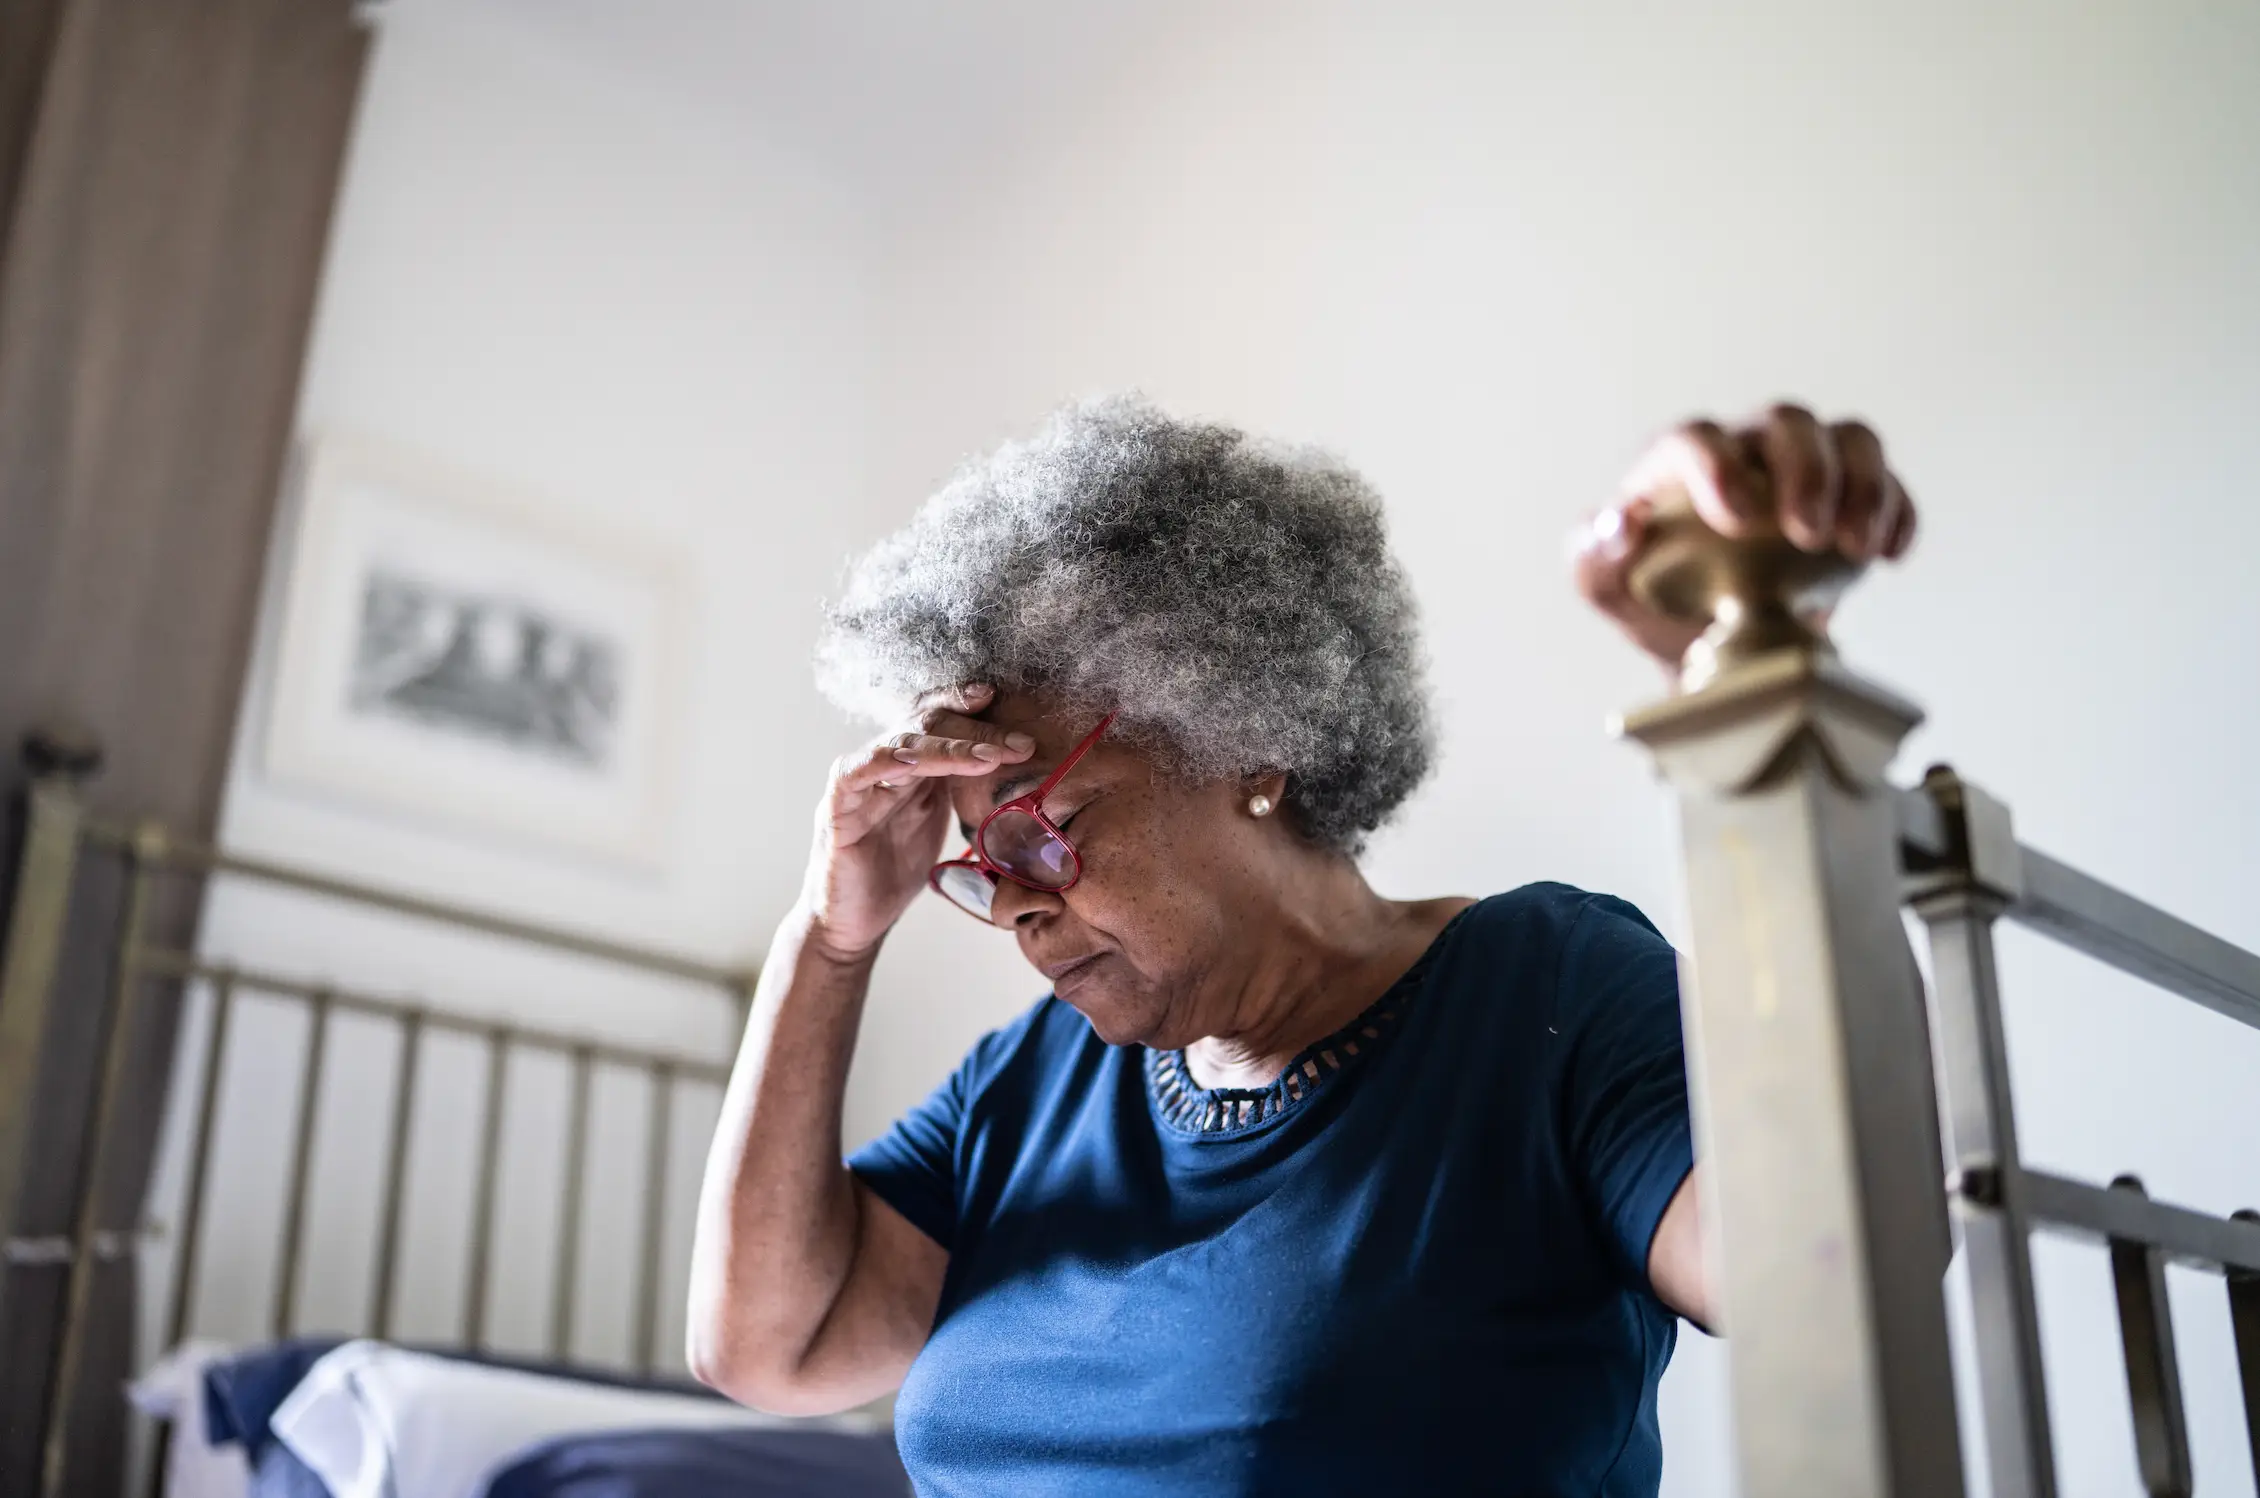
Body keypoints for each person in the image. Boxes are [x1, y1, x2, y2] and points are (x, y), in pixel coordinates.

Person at [688, 397, 1918, 1496]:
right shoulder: (1030, 1083)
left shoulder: (1548, 993)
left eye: (1047, 831)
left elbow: (1827, 1256)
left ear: (1245, 742)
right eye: (980, 863)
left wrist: (1747, 673)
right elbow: (769, 1348)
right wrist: (830, 939)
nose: (1013, 905)